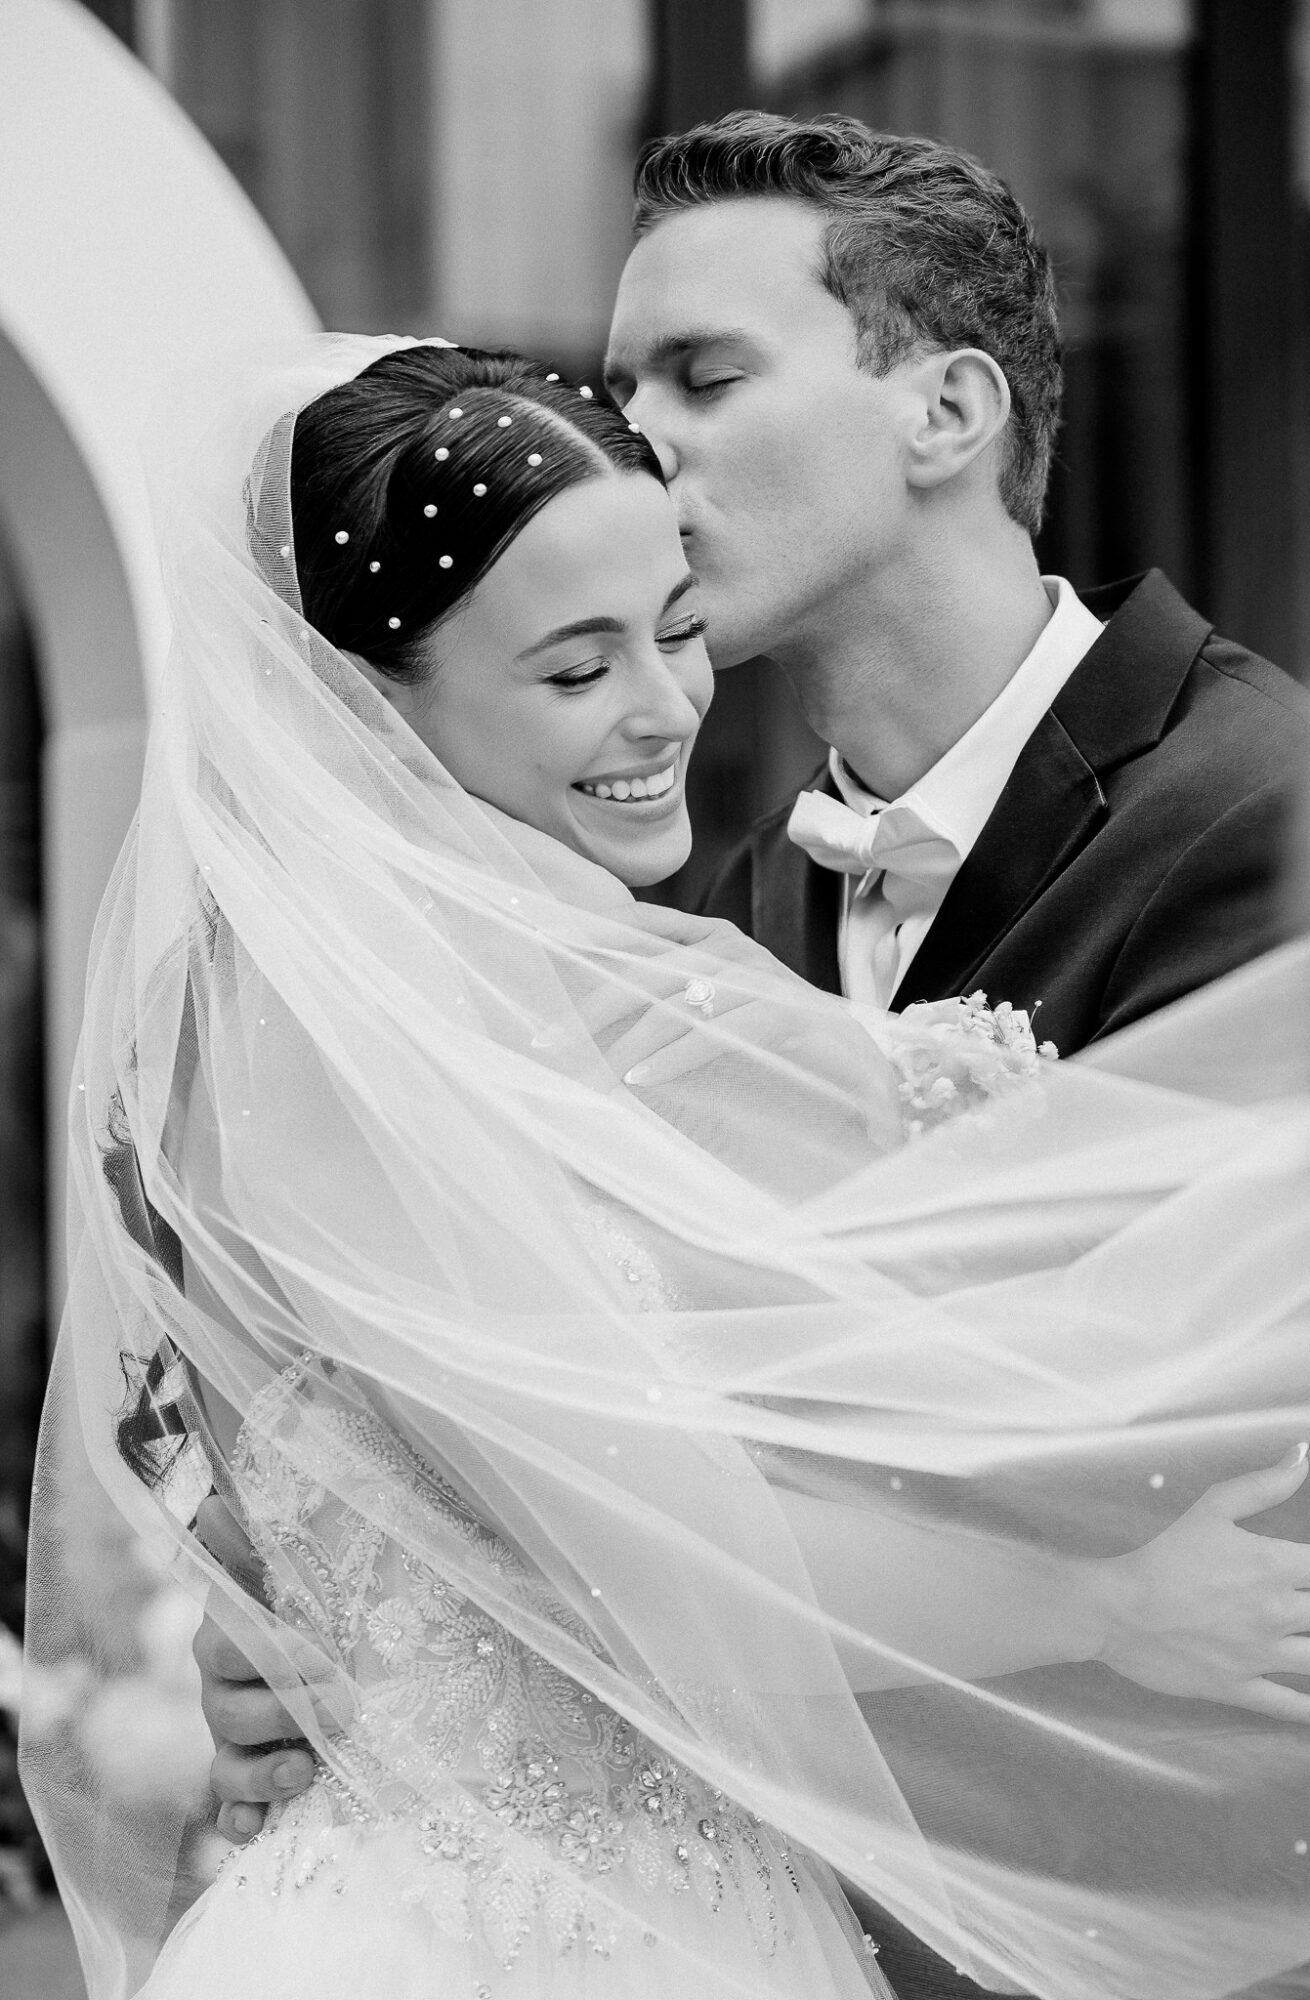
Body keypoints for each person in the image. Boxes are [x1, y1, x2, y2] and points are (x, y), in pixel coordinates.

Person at [22, 337, 1310, 2000]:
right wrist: (1109, 1610)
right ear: (362, 708)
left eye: (680, 633)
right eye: (575, 671)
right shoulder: (329, 1048)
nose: (663, 711)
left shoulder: (604, 974)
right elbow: (658, 1579)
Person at [601, 113, 1310, 1055]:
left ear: (945, 414)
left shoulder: (1265, 817)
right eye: (621, 399)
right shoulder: (752, 893)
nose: (628, 455)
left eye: (708, 379)